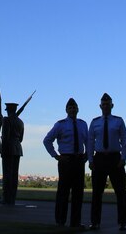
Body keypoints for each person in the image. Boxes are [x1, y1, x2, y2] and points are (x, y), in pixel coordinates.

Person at [43, 97, 88, 228]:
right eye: (70, 108)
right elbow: (47, 140)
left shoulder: (83, 124)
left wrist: (87, 155)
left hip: (79, 160)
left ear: (78, 109)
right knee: (63, 192)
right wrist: (56, 156)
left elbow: (88, 141)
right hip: (66, 160)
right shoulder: (60, 124)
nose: (72, 110)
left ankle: (76, 222)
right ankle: (60, 221)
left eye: (74, 108)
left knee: (78, 193)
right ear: (66, 110)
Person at [88, 93, 126, 231]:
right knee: (96, 193)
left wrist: (123, 158)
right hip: (99, 158)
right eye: (103, 104)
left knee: (120, 192)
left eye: (108, 104)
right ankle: (95, 222)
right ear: (100, 106)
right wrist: (91, 159)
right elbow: (90, 142)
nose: (105, 106)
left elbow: (124, 140)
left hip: (115, 158)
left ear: (112, 106)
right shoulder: (94, 122)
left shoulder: (118, 121)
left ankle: (123, 222)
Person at [1, 102, 24, 205]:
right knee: (14, 175)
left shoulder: (6, 120)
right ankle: (12, 197)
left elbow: (5, 136)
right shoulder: (20, 122)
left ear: (8, 110)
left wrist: (2, 149)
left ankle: (6, 198)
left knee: (7, 175)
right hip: (17, 148)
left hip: (8, 148)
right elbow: (21, 138)